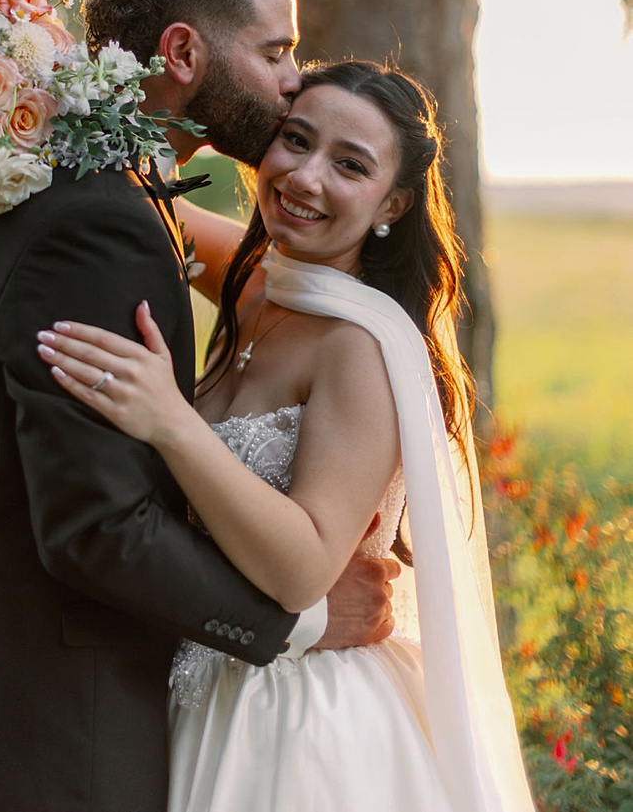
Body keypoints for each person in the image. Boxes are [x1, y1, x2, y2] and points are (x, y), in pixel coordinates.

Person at [0, 0, 397, 812]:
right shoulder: (96, 219)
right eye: (276, 50)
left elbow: (242, 266)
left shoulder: (74, 173)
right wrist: (300, 621)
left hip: (7, 703)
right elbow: (96, 530)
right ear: (183, 52)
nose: (294, 80)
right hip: (52, 732)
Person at [37, 61, 533, 811]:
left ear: (393, 202)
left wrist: (171, 420)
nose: (305, 177)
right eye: (294, 140)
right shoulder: (261, 283)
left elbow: (305, 567)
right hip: (209, 674)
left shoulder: (357, 346)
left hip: (300, 718)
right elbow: (135, 196)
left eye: (350, 165)